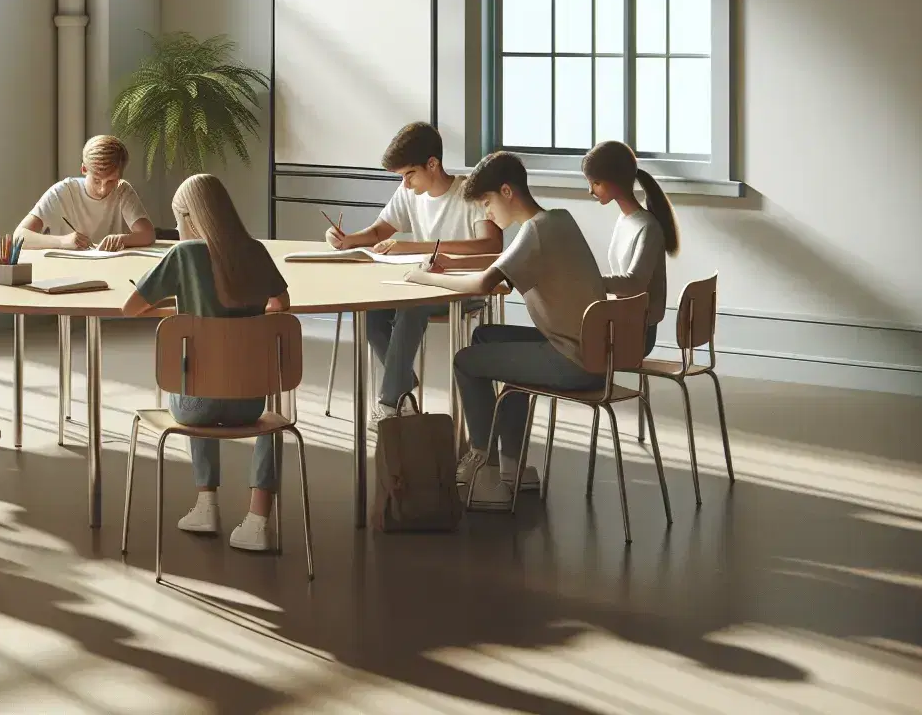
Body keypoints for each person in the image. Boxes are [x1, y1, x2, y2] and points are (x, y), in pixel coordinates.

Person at [403, 151, 606, 509]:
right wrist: (452, 264)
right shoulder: (558, 219)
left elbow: (483, 284)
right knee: (486, 338)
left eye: (486, 202)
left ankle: (487, 468)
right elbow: (499, 265)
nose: (486, 214)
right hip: (590, 352)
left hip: (573, 361)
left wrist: (422, 276)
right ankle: (515, 467)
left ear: (507, 192)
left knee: (466, 361)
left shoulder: (535, 232)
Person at [122, 173, 291, 551]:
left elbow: (131, 307)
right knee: (271, 419)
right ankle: (259, 520)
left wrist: (181, 306)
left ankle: (206, 505)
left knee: (194, 374)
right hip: (250, 404)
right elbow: (281, 305)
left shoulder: (183, 255)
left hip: (196, 407)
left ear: (189, 217)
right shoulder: (256, 252)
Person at [326, 122, 502, 423]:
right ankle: (403, 384)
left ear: (432, 164)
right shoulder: (409, 193)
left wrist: (416, 246)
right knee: (371, 312)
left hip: (461, 286)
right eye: (402, 177)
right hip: (421, 283)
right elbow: (382, 229)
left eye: (409, 175)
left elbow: (491, 244)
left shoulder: (470, 192)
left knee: (411, 306)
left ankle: (391, 403)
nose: (405, 184)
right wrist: (350, 239)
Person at [583, 140, 679, 357]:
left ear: (614, 181)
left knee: (564, 341)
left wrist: (588, 279)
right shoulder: (625, 220)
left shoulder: (648, 227)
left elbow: (634, 282)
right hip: (622, 319)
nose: (590, 191)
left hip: (637, 332)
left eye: (595, 183)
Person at [15, 134, 158, 251]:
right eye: (96, 180)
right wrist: (62, 241)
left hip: (110, 267)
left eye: (111, 181)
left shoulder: (122, 190)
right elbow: (19, 236)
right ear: (84, 170)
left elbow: (148, 234)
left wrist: (122, 239)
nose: (103, 189)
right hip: (66, 269)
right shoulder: (62, 192)